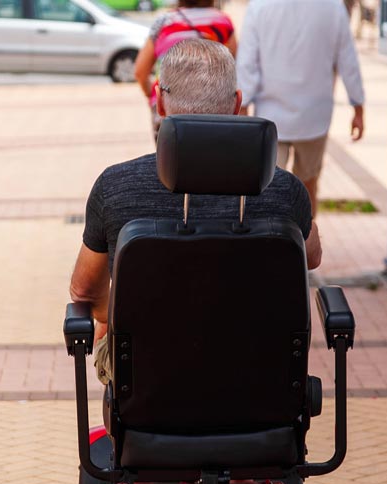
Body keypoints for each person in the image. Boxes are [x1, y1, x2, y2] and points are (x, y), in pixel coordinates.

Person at [71, 39, 322, 384]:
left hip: (148, 394)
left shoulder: (115, 186)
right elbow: (311, 257)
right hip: (263, 390)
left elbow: (84, 291)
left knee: (114, 346)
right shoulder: (285, 189)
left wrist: (106, 315)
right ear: (237, 104)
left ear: (159, 100)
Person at [236, 0, 366, 212]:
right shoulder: (333, 7)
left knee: (268, 191)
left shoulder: (259, 7)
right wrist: (358, 106)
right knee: (308, 187)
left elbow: (247, 64)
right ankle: (305, 243)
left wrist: (242, 109)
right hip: (314, 116)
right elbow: (348, 59)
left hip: (270, 120)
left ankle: (272, 242)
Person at [132, 0, 237, 138]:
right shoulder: (222, 21)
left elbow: (140, 72)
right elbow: (232, 66)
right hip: (213, 105)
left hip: (169, 106)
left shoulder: (164, 22)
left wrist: (153, 97)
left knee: (167, 157)